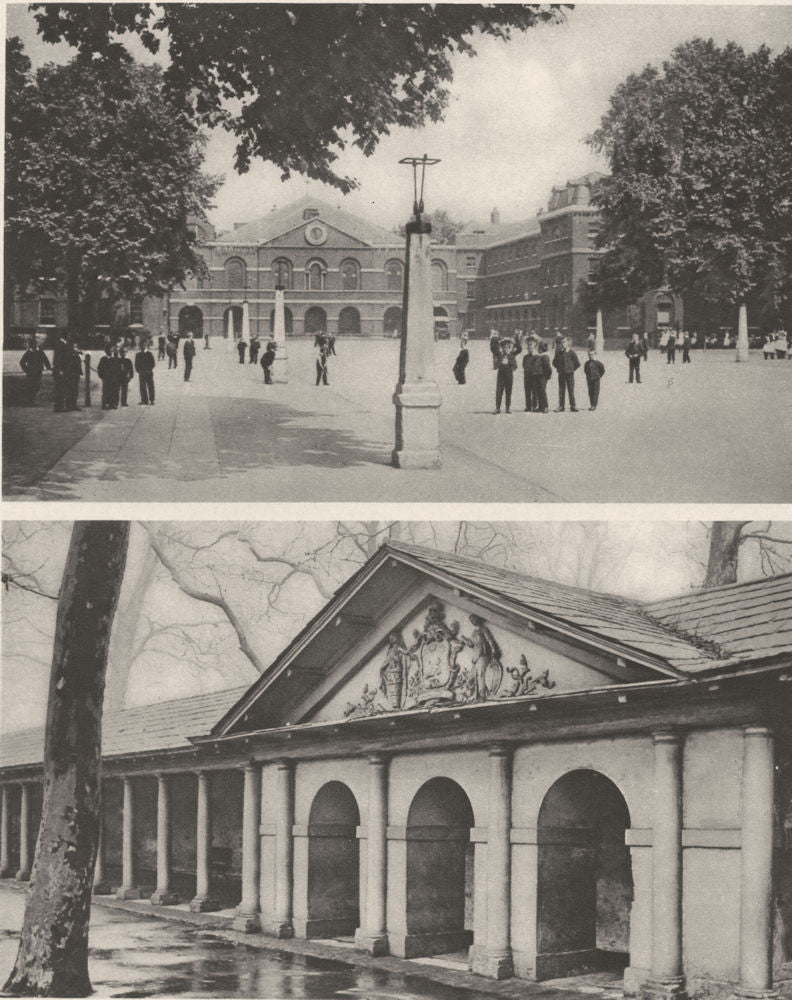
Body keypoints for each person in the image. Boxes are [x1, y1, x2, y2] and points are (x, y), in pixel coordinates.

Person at [493, 334, 521, 414]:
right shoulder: (500, 355)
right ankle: (497, 408)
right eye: (504, 347)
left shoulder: (512, 355)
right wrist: (496, 339)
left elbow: (519, 349)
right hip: (501, 375)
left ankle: (508, 408)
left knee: (508, 391)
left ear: (509, 348)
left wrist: (516, 339)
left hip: (509, 375)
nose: (505, 349)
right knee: (499, 391)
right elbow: (493, 349)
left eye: (507, 347)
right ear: (502, 348)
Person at [552, 336, 580, 412]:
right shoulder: (558, 352)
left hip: (570, 374)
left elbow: (577, 363)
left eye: (564, 342)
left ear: (567, 343)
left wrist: (571, 369)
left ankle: (573, 406)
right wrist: (559, 368)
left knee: (571, 390)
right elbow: (554, 362)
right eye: (561, 343)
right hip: (561, 374)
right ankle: (561, 406)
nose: (563, 344)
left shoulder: (571, 352)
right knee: (561, 390)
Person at [19, 339, 51, 405]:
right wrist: (26, 370)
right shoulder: (28, 353)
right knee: (31, 386)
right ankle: (30, 400)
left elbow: (45, 360)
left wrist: (49, 367)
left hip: (38, 371)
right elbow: (22, 362)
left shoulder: (40, 352)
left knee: (37, 385)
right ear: (30, 345)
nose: (34, 345)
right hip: (31, 372)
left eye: (35, 344)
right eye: (32, 344)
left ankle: (31, 399)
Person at [97, 345, 122, 410]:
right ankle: (105, 404)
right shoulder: (103, 359)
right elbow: (100, 369)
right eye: (109, 351)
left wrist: (118, 376)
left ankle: (113, 403)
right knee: (106, 391)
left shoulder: (115, 359)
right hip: (106, 378)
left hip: (114, 378)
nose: (111, 352)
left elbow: (118, 368)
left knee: (114, 390)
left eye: (112, 351)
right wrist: (102, 376)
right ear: (106, 351)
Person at [522, 340, 544, 411]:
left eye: (531, 348)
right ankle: (528, 406)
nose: (530, 349)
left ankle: (534, 406)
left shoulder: (538, 357)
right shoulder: (525, 357)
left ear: (534, 348)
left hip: (534, 377)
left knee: (535, 392)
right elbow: (524, 365)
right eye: (529, 348)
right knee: (527, 392)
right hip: (527, 376)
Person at [135, 338, 156, 405]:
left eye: (144, 345)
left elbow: (153, 363)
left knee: (150, 386)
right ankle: (144, 400)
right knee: (142, 387)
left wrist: (148, 370)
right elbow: (136, 364)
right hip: (141, 373)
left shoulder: (149, 354)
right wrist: (139, 371)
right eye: (141, 346)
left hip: (149, 373)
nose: (142, 347)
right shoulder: (138, 355)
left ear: (146, 346)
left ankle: (152, 400)